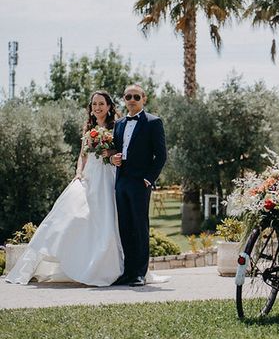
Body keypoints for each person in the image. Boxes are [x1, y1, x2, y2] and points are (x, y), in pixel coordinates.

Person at [6, 91, 125, 286]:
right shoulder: (88, 126)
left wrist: (109, 153)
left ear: (109, 106)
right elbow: (82, 154)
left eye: (101, 104)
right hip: (88, 176)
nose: (97, 107)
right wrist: (78, 172)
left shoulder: (117, 126)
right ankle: (77, 262)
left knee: (106, 219)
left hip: (106, 176)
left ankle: (104, 267)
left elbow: (118, 151)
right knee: (71, 215)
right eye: (94, 104)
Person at [110, 84, 166, 287]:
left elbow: (161, 156)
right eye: (128, 96)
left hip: (140, 183)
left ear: (144, 99)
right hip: (121, 181)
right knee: (125, 227)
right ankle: (129, 271)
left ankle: (140, 273)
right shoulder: (119, 124)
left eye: (136, 96)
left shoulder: (153, 122)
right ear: (124, 99)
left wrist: (148, 179)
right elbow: (117, 151)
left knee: (140, 227)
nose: (131, 100)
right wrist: (112, 159)